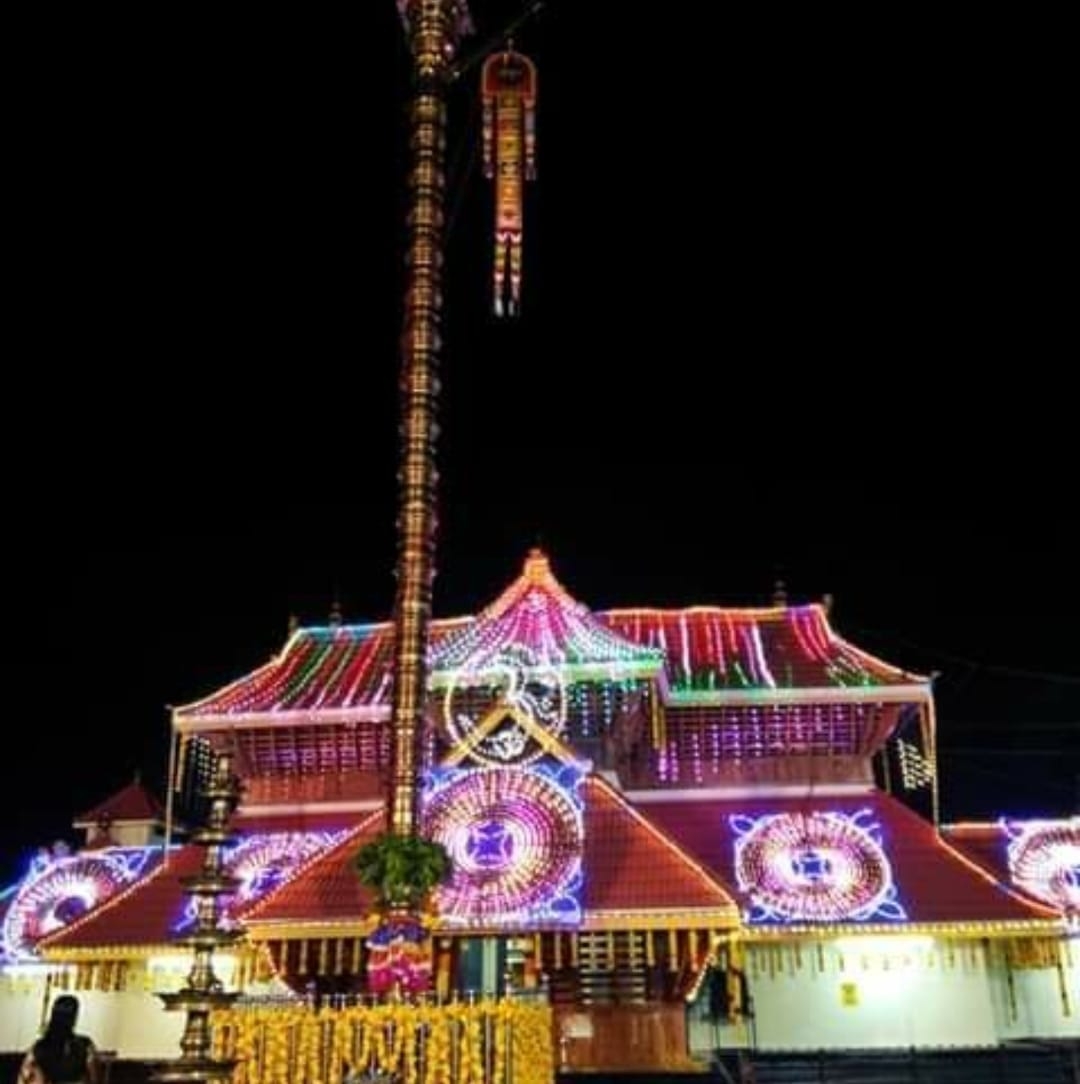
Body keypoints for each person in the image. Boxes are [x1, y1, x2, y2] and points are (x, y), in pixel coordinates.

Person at [18, 996, 100, 1084]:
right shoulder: (85, 1045)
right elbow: (94, 1079)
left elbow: (23, 1078)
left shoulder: (40, 1047)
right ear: (73, 1018)